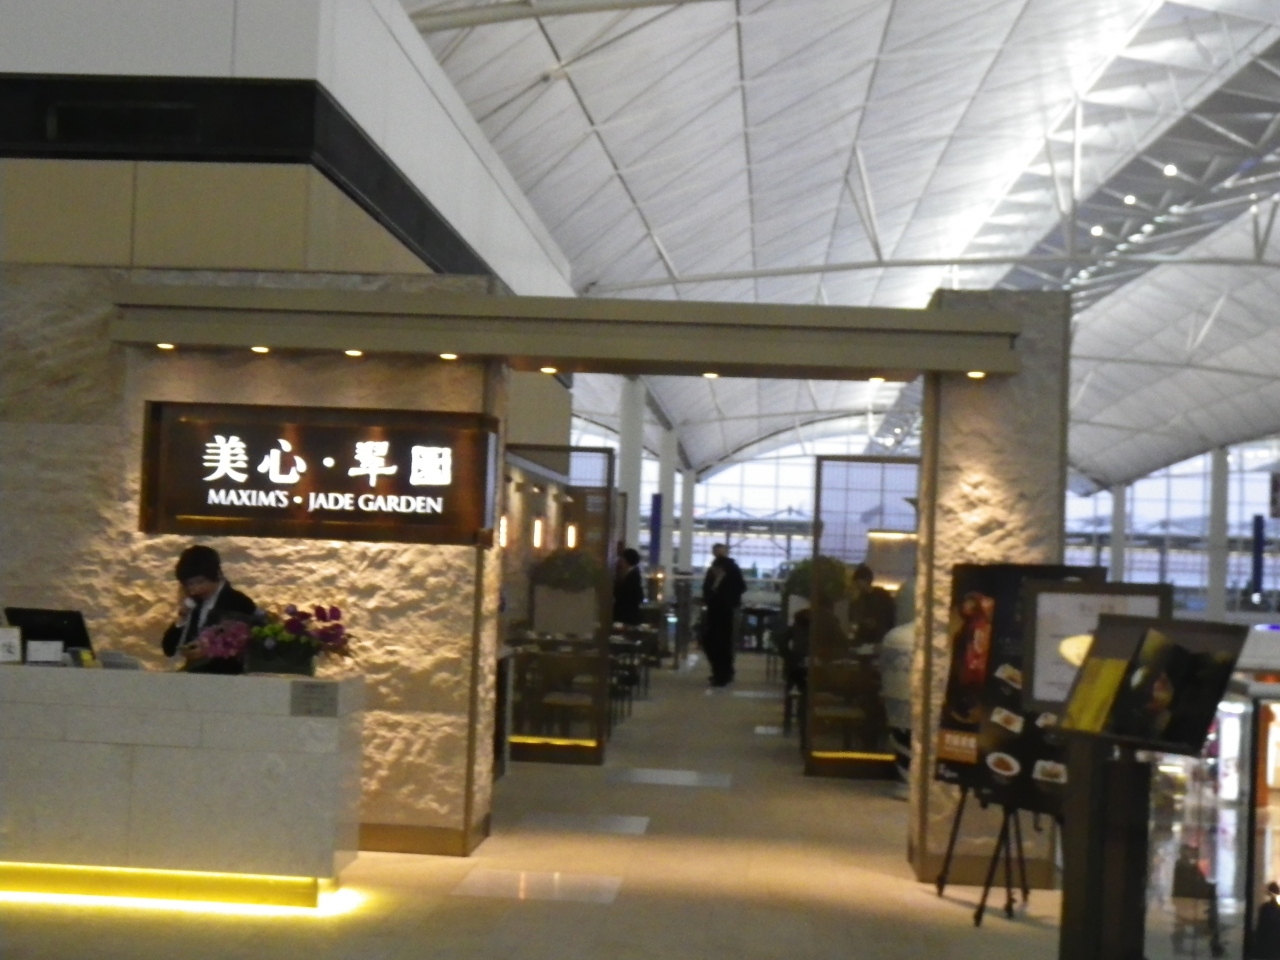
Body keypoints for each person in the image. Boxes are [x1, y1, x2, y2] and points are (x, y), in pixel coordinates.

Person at [161, 545, 257, 674]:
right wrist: (183, 616)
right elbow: (169, 649)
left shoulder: (238, 601)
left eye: (200, 582)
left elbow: (242, 647)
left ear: (217, 574)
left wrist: (208, 650)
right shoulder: (195, 605)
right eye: (189, 584)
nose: (195, 589)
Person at [701, 543, 746, 687]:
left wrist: (711, 599)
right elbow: (741, 587)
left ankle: (720, 673)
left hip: (716, 611)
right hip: (727, 610)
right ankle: (724, 673)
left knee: (714, 642)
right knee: (724, 643)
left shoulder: (716, 569)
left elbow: (707, 589)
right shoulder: (732, 568)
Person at [1172, 845, 1224, 957]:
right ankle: (1214, 945)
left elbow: (1198, 882)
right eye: (1189, 851)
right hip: (1188, 899)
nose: (1191, 854)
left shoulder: (1187, 866)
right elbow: (1193, 883)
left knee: (1182, 923)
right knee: (1208, 921)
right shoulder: (1185, 866)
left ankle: (1179, 944)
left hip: (1189, 899)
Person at [849, 563, 897, 647]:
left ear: (866, 581)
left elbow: (889, 617)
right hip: (873, 638)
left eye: (858, 583)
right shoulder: (881, 596)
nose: (857, 587)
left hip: (877, 638)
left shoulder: (881, 597)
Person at [613, 548, 645, 625]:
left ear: (626, 560)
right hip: (627, 613)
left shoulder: (632, 576)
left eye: (622, 559)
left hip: (626, 614)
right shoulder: (631, 574)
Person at [1256, 882, 1280, 959]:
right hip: (1275, 940)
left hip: (1265, 940)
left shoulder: (1264, 907)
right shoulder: (1277, 908)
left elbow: (1261, 925)